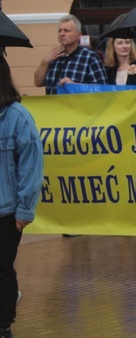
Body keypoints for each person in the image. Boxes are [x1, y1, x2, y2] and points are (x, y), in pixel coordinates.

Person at [0, 54, 43, 338]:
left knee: (1, 268)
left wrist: (24, 211)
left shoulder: (17, 118)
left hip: (6, 210)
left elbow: (31, 167)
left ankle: (3, 325)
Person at [33, 14, 107, 94]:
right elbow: (37, 83)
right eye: (59, 30)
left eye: (66, 30)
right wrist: (44, 62)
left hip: (78, 106)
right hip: (52, 106)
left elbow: (101, 88)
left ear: (78, 35)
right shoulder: (53, 56)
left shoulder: (90, 57)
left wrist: (74, 86)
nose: (62, 34)